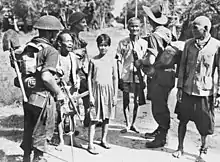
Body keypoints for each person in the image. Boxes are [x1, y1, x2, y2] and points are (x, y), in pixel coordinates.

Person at [17, 15, 65, 162]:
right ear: (50, 33)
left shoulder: (29, 47)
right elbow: (46, 77)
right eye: (56, 32)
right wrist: (58, 92)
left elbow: (21, 72)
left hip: (29, 97)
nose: (56, 35)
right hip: (43, 99)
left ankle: (26, 158)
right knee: (41, 135)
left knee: (29, 131)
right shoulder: (51, 51)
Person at [172, 16, 220, 159]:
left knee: (204, 124)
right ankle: (180, 148)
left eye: (195, 28)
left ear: (205, 29)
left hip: (205, 92)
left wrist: (218, 94)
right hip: (187, 89)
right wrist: (179, 87)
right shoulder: (188, 44)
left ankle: (202, 149)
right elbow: (182, 67)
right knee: (183, 120)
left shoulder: (216, 45)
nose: (192, 30)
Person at [140, 4, 175, 148]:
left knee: (158, 107)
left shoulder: (155, 35)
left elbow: (151, 60)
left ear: (149, 19)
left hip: (159, 75)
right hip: (170, 74)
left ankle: (161, 138)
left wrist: (140, 61)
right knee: (162, 103)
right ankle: (160, 130)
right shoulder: (167, 32)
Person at [115, 17, 148, 133]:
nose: (134, 28)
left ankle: (134, 123)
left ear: (140, 28)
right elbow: (119, 60)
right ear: (128, 27)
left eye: (137, 26)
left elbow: (146, 60)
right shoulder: (123, 43)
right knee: (125, 100)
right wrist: (119, 75)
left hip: (139, 76)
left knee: (137, 101)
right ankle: (127, 123)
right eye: (132, 26)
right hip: (126, 75)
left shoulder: (144, 43)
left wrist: (145, 76)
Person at [87, 34, 118, 155]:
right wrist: (90, 95)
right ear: (97, 46)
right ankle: (90, 144)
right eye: (101, 45)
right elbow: (89, 78)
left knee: (106, 117)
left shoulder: (113, 60)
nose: (103, 48)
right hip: (96, 92)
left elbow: (115, 78)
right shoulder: (93, 60)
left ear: (109, 46)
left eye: (105, 45)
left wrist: (115, 95)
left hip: (109, 92)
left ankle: (103, 140)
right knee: (94, 118)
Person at [54, 31, 82, 150]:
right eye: (68, 41)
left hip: (72, 89)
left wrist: (78, 81)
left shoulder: (73, 57)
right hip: (60, 89)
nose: (70, 44)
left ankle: (72, 138)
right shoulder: (55, 57)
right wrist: (57, 73)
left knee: (72, 114)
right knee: (60, 115)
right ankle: (61, 140)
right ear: (60, 43)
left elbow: (77, 73)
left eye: (71, 41)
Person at [68, 11, 90, 127]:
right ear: (76, 24)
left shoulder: (77, 38)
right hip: (70, 72)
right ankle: (70, 124)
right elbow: (61, 53)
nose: (85, 24)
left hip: (80, 70)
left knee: (87, 92)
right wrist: (75, 52)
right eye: (83, 22)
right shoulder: (67, 37)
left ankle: (88, 118)